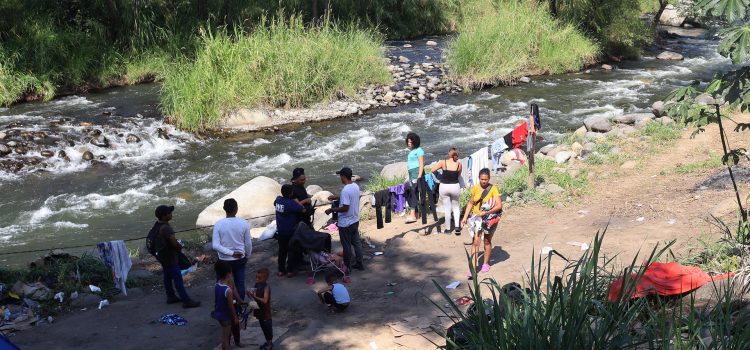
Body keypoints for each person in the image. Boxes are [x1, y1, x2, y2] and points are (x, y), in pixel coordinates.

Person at [153, 205, 201, 308]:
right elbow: (174, 243)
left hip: (162, 256)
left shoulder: (157, 225)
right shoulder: (166, 228)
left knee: (167, 276)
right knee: (178, 278)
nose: (171, 214)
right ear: (164, 216)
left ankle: (171, 296)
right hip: (170, 257)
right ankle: (186, 300)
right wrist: (180, 247)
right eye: (169, 213)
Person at [461, 168, 503, 278]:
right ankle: (473, 268)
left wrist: (486, 212)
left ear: (489, 178)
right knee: (476, 242)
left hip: (490, 218)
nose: (484, 181)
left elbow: (499, 205)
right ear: (479, 178)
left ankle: (485, 263)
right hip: (477, 220)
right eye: (482, 179)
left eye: (486, 179)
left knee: (487, 241)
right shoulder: (475, 188)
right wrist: (465, 217)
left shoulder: (493, 189)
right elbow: (471, 203)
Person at [212, 198, 252, 298]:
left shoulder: (218, 224)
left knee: (222, 284)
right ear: (236, 209)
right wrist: (247, 255)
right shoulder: (243, 223)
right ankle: (240, 307)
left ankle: (222, 307)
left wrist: (230, 253)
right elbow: (248, 244)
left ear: (224, 209)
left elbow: (215, 245)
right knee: (239, 284)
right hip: (239, 259)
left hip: (223, 260)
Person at [325, 167, 364, 270]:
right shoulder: (355, 186)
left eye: (340, 176)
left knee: (346, 246)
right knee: (356, 242)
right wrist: (336, 197)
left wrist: (332, 210)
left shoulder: (345, 190)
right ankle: (359, 263)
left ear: (343, 177)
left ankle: (347, 267)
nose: (340, 178)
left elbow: (345, 208)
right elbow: (350, 198)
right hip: (355, 220)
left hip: (345, 223)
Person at [274, 184, 306, 277]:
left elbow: (276, 200)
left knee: (282, 251)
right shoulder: (290, 203)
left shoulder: (278, 200)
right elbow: (302, 210)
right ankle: (290, 271)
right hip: (290, 231)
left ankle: (281, 270)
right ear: (291, 193)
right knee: (291, 250)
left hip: (280, 231)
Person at [431, 148, 463, 235]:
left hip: (444, 187)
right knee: (456, 207)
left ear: (449, 154)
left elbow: (432, 170)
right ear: (456, 155)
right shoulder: (459, 164)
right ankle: (457, 227)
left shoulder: (442, 162)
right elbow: (458, 175)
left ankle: (448, 230)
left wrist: (440, 176)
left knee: (447, 208)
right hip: (455, 186)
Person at [212, 261, 239, 350]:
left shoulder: (217, 284)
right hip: (226, 316)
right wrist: (235, 317)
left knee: (225, 335)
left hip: (218, 314)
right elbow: (231, 306)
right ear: (229, 273)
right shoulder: (228, 290)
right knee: (225, 338)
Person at [248, 268, 273, 350]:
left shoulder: (266, 287)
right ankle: (268, 342)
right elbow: (254, 294)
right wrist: (250, 293)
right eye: (256, 277)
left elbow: (265, 300)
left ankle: (269, 345)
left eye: (259, 278)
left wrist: (254, 296)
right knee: (263, 327)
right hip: (259, 310)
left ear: (265, 278)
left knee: (267, 328)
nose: (257, 279)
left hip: (265, 312)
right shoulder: (257, 284)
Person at [405, 132, 425, 223]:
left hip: (417, 172)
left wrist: (419, 176)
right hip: (412, 173)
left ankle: (413, 215)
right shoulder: (411, 151)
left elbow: (421, 164)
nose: (409, 143)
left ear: (415, 142)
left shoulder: (419, 150)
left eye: (410, 142)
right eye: (408, 142)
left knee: (413, 192)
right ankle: (416, 215)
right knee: (414, 192)